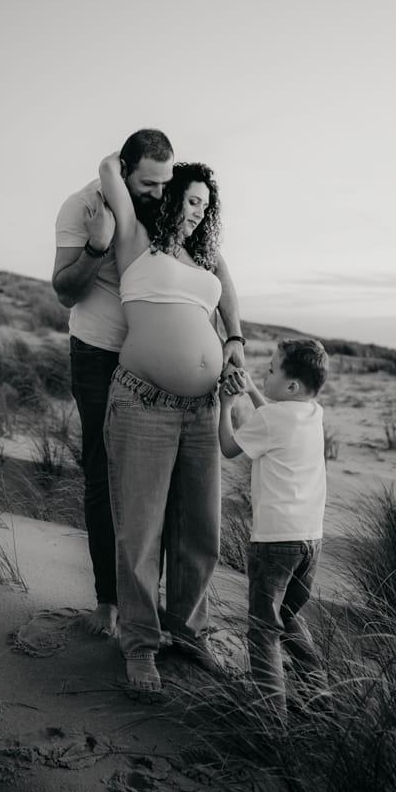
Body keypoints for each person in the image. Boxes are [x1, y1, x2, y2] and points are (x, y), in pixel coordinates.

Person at [52, 130, 244, 640]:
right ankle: (112, 604)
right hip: (103, 358)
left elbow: (219, 270)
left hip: (189, 397)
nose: (161, 194)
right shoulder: (99, 213)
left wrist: (235, 336)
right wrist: (98, 240)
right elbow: (64, 290)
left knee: (188, 512)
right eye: (153, 183)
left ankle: (179, 623)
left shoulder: (187, 239)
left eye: (169, 184)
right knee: (109, 483)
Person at [99, 151, 241, 701]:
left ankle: (188, 629)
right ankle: (138, 642)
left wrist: (234, 340)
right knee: (141, 531)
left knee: (200, 529)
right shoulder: (135, 238)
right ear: (169, 193)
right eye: (189, 199)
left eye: (205, 206)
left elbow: (226, 285)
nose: (196, 213)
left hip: (204, 410)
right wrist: (148, 158)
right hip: (143, 404)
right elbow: (111, 169)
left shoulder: (205, 260)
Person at [218, 338, 329, 721]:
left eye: (271, 370)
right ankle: (320, 694)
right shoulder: (312, 413)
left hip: (275, 542)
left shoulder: (270, 420)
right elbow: (274, 422)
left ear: (292, 386)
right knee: (290, 617)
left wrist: (227, 403)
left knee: (263, 630)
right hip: (310, 540)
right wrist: (250, 388)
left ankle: (272, 720)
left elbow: (230, 448)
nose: (265, 373)